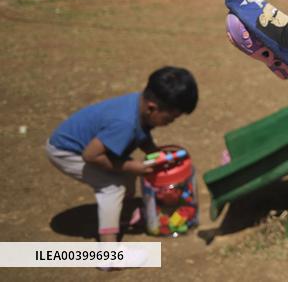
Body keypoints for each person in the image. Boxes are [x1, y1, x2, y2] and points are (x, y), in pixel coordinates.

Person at [46, 67, 198, 243]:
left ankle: (123, 217)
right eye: (168, 119)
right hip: (66, 151)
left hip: (88, 149)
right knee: (113, 186)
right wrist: (132, 166)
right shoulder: (124, 123)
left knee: (126, 176)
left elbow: (142, 133)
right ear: (152, 108)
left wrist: (155, 153)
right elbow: (91, 156)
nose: (170, 123)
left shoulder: (140, 106)